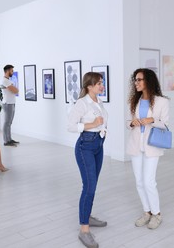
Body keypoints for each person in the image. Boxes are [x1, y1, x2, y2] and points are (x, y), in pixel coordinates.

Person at [68, 72, 108, 248]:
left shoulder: (99, 102)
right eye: (99, 83)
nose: (102, 86)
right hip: (86, 146)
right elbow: (70, 126)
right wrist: (92, 124)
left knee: (93, 184)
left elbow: (102, 123)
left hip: (99, 145)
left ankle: (87, 215)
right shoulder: (82, 103)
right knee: (89, 186)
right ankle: (84, 230)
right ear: (89, 86)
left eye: (102, 83)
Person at [126, 68, 169, 230]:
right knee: (139, 182)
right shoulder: (134, 101)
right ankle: (147, 212)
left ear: (148, 81)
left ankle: (157, 214)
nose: (136, 83)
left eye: (139, 80)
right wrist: (132, 123)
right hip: (136, 144)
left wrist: (152, 119)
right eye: (135, 80)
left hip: (152, 145)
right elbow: (127, 122)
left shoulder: (162, 101)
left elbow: (165, 124)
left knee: (149, 182)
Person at [0, 64, 19, 147]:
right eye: (11, 71)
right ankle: (6, 141)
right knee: (7, 122)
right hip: (8, 103)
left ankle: (9, 139)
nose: (13, 72)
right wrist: (15, 88)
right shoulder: (5, 81)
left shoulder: (8, 80)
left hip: (11, 103)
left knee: (9, 122)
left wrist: (14, 89)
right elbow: (15, 90)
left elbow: (15, 90)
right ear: (7, 71)